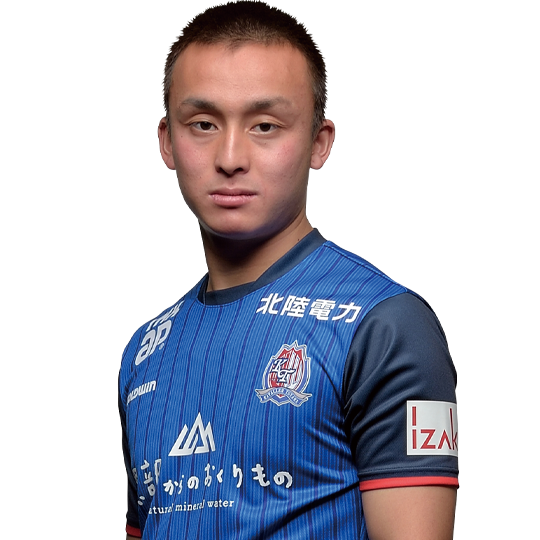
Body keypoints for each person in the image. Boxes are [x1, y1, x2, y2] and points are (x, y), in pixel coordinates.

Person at [119, 2, 459, 538]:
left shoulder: (384, 326)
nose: (231, 156)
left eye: (265, 125)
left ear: (319, 144)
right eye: (203, 124)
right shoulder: (143, 351)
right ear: (167, 141)